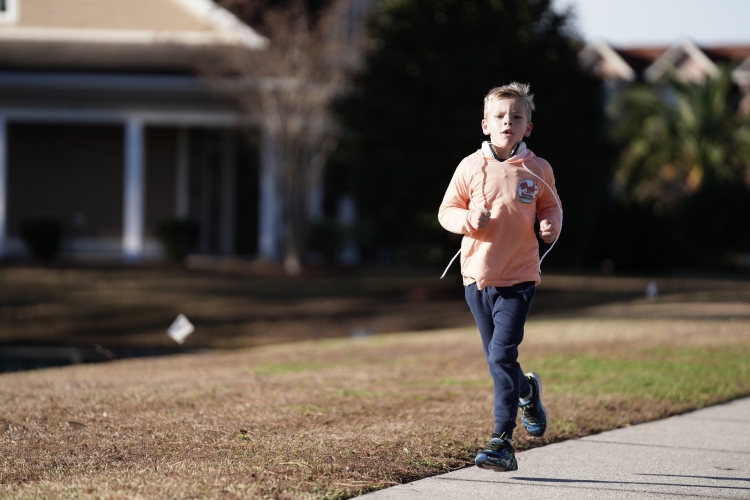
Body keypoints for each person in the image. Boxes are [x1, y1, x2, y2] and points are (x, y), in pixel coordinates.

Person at [438, 82, 562, 472]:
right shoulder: (470, 167)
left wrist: (550, 226)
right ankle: (528, 391)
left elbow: (552, 206)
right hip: (477, 278)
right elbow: (446, 211)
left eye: (517, 116)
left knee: (501, 355)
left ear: (528, 127)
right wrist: (467, 219)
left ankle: (501, 442)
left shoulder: (537, 169)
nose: (508, 121)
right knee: (499, 360)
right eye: (499, 116)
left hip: (519, 278)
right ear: (485, 125)